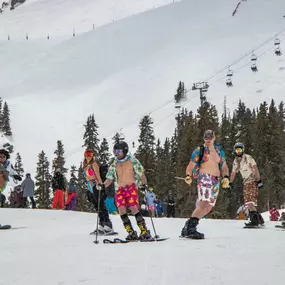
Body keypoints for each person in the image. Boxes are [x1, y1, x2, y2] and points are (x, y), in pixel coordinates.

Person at [181, 130, 230, 239]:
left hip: (215, 180)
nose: (208, 139)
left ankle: (188, 225)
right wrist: (188, 175)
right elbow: (190, 165)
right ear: (204, 138)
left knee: (208, 207)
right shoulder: (200, 150)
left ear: (214, 138)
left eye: (210, 137)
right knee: (203, 203)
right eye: (206, 137)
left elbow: (224, 166)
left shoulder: (219, 150)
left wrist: (226, 177)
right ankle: (191, 229)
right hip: (204, 177)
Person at [104, 141, 152, 241]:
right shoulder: (114, 164)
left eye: (118, 151)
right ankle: (131, 232)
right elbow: (109, 179)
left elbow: (141, 174)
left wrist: (144, 184)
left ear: (124, 151)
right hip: (120, 190)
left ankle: (144, 231)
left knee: (133, 207)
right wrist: (102, 185)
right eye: (114, 151)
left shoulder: (132, 161)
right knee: (121, 210)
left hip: (131, 187)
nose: (115, 153)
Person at [230, 142, 264, 227]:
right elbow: (233, 172)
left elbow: (255, 169)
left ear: (243, 150)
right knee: (249, 202)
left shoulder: (248, 158)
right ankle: (259, 219)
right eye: (237, 150)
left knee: (249, 201)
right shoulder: (236, 161)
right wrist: (230, 182)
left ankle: (254, 221)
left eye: (240, 149)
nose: (238, 151)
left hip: (252, 180)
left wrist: (259, 180)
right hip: (245, 182)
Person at [83, 149, 113, 234]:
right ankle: (102, 223)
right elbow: (87, 177)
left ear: (93, 155)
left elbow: (97, 176)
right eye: (87, 154)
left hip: (96, 186)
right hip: (91, 187)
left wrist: (101, 185)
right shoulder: (86, 165)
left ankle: (108, 224)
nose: (88, 156)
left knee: (101, 205)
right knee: (97, 206)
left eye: (90, 154)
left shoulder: (94, 164)